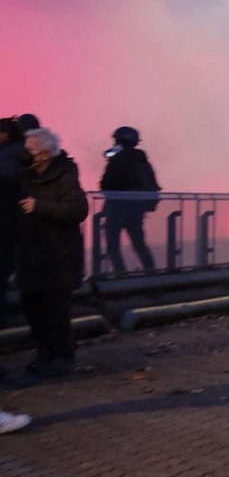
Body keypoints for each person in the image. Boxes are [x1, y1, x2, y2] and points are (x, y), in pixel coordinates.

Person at [16, 127, 89, 376]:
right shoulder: (24, 177)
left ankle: (63, 357)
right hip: (29, 256)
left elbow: (78, 210)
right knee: (33, 310)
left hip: (58, 258)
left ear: (45, 154)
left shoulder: (65, 176)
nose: (25, 154)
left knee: (55, 313)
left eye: (30, 150)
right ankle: (44, 354)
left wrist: (40, 206)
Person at [99, 125, 159, 275]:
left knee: (112, 246)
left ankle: (121, 275)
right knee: (139, 244)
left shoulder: (117, 160)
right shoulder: (143, 162)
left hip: (116, 209)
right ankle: (151, 272)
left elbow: (105, 185)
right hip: (135, 210)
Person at [0, 116, 29, 329]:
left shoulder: (5, 157)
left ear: (6, 134)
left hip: (7, 223)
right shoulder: (27, 153)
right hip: (24, 222)